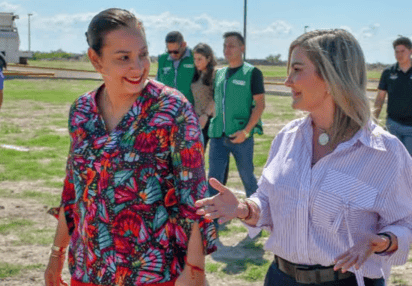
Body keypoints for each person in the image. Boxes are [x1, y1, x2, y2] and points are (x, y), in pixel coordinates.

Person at [196, 29, 412, 286]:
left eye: (297, 69)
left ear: (333, 76)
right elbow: (267, 200)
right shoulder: (287, 138)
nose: (287, 81)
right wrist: (244, 209)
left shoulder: (384, 152)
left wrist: (386, 240)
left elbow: (405, 222)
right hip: (279, 278)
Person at [44, 8, 216, 286]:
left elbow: (192, 198)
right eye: (124, 57)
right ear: (96, 60)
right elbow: (73, 188)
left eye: (143, 54)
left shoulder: (172, 110)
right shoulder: (82, 111)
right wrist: (57, 254)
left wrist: (195, 272)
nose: (138, 67)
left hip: (154, 274)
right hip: (90, 270)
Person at [208, 31, 265, 198]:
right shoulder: (218, 74)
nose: (227, 49)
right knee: (213, 180)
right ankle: (213, 221)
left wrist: (246, 132)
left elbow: (260, 105)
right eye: (225, 46)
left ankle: (257, 213)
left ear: (242, 48)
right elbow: (216, 102)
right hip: (218, 136)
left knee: (247, 178)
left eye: (231, 46)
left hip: (241, 136)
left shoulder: (252, 73)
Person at [373, 36, 412, 156]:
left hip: (411, 127)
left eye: (402, 51)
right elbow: (380, 98)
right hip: (392, 124)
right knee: (392, 160)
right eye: (396, 51)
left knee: (408, 162)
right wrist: (373, 121)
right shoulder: (388, 72)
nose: (399, 54)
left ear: (410, 51)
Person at [156, 31, 195, 105]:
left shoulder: (194, 58)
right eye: (169, 51)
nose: (172, 55)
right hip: (168, 107)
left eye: (176, 52)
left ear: (184, 45)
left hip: (190, 108)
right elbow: (157, 84)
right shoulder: (162, 59)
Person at [191, 43, 216, 149]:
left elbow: (218, 97)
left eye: (200, 59)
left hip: (211, 119)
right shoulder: (197, 74)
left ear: (209, 58)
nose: (196, 62)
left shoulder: (215, 74)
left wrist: (206, 115)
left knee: (218, 157)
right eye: (195, 59)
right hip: (198, 118)